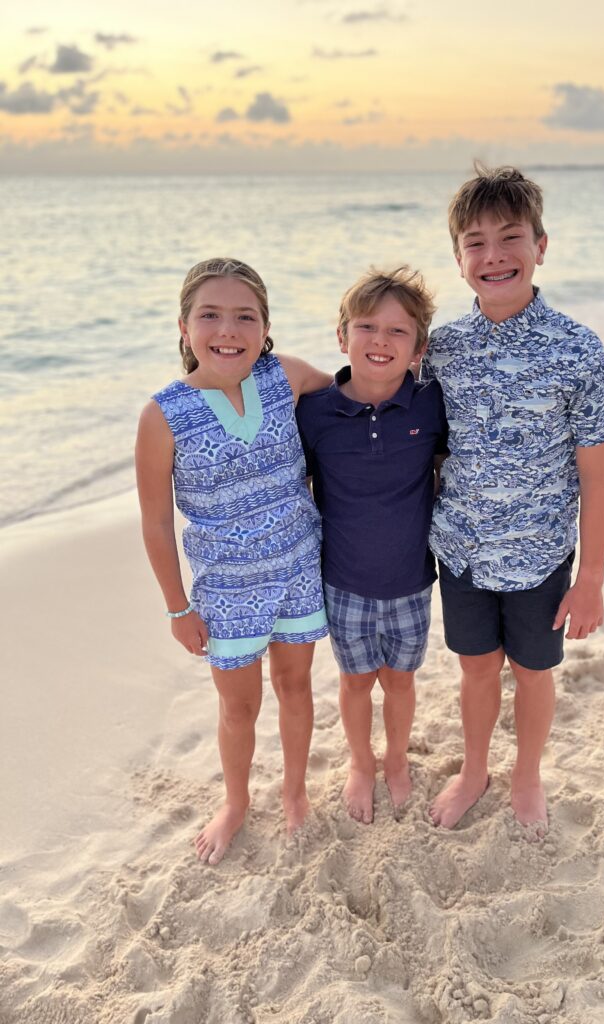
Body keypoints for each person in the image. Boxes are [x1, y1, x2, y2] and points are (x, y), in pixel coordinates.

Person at [422, 164, 604, 834]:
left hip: (540, 556)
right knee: (476, 671)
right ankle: (476, 768)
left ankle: (528, 776)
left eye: (510, 238)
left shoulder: (579, 351)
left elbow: (598, 478)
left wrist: (591, 577)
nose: (494, 256)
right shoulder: (442, 350)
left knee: (533, 674)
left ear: (541, 246)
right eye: (475, 243)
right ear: (458, 261)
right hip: (461, 551)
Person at [135, 257, 331, 865]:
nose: (229, 330)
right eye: (210, 316)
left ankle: (294, 791)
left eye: (245, 316)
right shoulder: (162, 415)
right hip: (225, 593)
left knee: (295, 686)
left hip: (299, 569)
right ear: (185, 327)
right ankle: (238, 802)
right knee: (239, 706)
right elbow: (157, 523)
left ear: (266, 328)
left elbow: (352, 407)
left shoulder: (288, 377)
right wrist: (177, 607)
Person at [296, 267, 448, 824]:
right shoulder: (314, 412)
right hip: (343, 581)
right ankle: (361, 763)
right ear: (343, 336)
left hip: (411, 580)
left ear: (418, 348)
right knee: (356, 681)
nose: (380, 341)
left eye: (397, 331)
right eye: (366, 327)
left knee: (401, 681)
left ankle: (397, 759)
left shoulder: (431, 405)